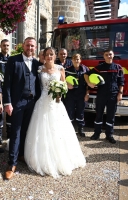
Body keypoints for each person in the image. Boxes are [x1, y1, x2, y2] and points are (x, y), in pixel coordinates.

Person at [24, 47, 86, 178]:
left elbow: (64, 85)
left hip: (56, 103)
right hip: (42, 101)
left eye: (51, 54)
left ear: (55, 56)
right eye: (47, 55)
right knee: (42, 128)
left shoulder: (60, 69)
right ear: (44, 56)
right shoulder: (39, 69)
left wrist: (60, 92)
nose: (49, 57)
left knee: (58, 130)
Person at [3, 37, 41, 180]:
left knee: (26, 130)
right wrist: (7, 103)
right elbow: (7, 83)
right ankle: (11, 163)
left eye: (32, 46)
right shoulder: (13, 60)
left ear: (35, 48)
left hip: (32, 103)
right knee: (16, 132)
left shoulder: (37, 63)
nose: (30, 48)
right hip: (17, 103)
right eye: (27, 45)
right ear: (23, 46)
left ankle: (22, 155)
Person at [84, 49, 124, 144]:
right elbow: (86, 74)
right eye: (107, 55)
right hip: (101, 94)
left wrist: (120, 93)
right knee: (99, 115)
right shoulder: (100, 67)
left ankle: (109, 135)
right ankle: (96, 133)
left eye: (110, 54)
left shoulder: (118, 68)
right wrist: (89, 83)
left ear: (113, 55)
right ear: (104, 56)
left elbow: (121, 82)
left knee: (111, 116)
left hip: (113, 95)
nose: (109, 56)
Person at [65, 54, 90, 137]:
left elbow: (88, 84)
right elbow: (62, 81)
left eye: (78, 59)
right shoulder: (67, 70)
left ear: (80, 60)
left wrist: (87, 93)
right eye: (74, 59)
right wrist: (67, 85)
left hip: (81, 95)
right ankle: (70, 129)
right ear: (72, 60)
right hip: (70, 95)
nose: (76, 61)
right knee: (70, 112)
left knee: (81, 112)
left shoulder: (85, 70)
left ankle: (80, 129)